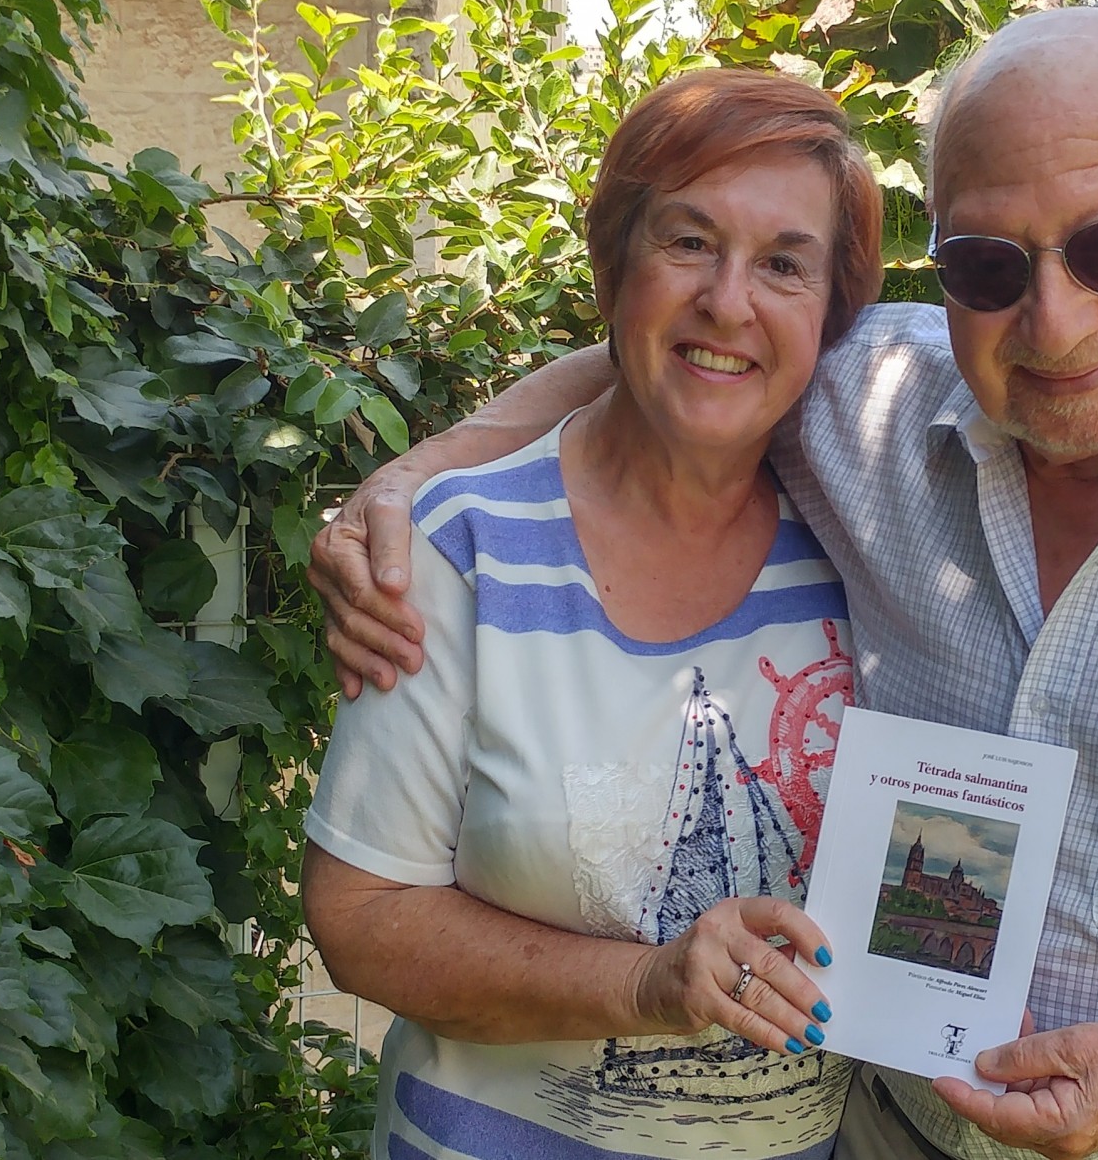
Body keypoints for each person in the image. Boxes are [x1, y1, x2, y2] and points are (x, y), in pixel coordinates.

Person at [311, 8, 1098, 1160]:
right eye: (990, 267)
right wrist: (429, 473)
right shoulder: (874, 403)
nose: (1055, 323)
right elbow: (681, 340)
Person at [300, 68, 888, 1160]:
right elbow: (360, 919)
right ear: (614, 263)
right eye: (685, 241)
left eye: (783, 265)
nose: (728, 300)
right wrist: (647, 982)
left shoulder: (869, 538)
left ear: (831, 316)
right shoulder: (459, 545)